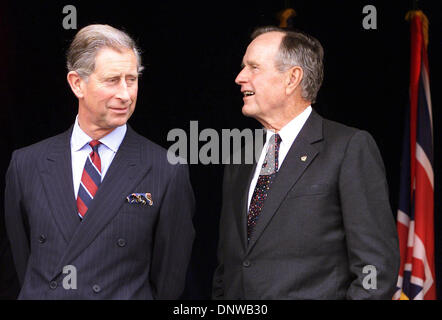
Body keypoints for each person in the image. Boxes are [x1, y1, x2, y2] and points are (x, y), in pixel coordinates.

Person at [4, 24, 195, 299]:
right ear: (77, 83)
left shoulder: (166, 169)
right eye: (112, 80)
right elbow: (21, 262)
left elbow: (168, 278)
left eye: (131, 79)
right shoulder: (26, 164)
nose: (125, 94)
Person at [213, 26, 400, 299]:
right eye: (243, 68)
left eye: (253, 67)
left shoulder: (348, 148)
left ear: (292, 78)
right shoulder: (240, 158)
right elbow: (227, 267)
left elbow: (376, 270)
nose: (240, 78)